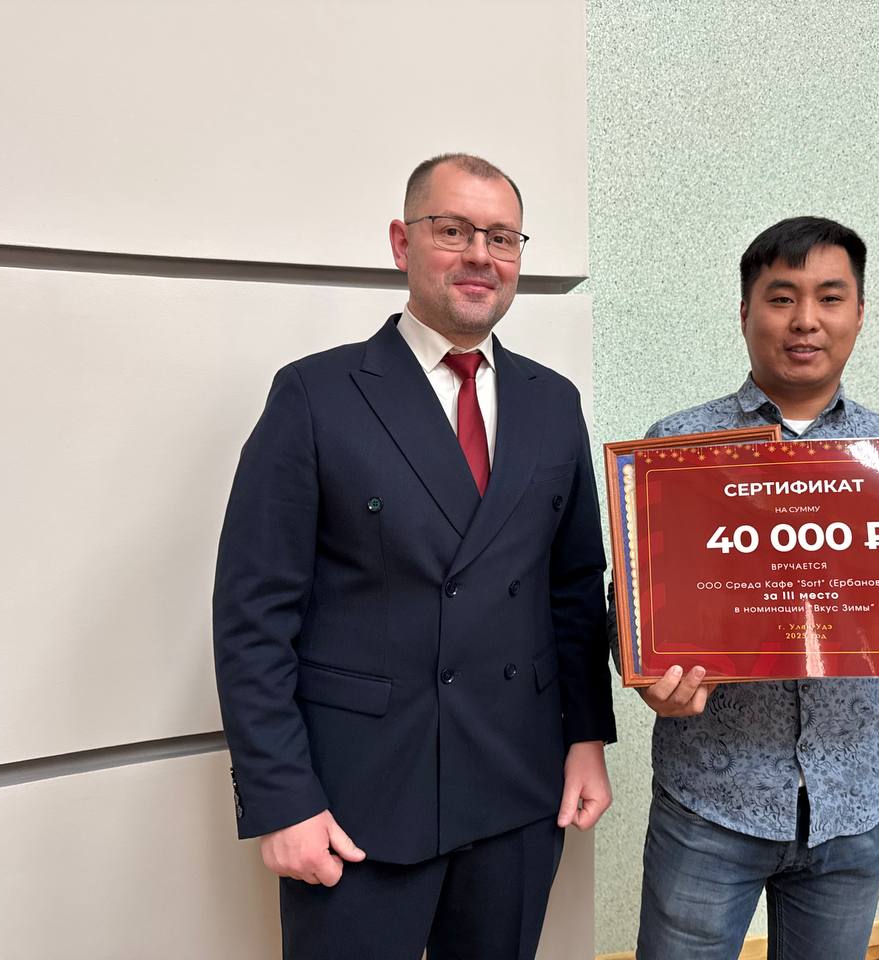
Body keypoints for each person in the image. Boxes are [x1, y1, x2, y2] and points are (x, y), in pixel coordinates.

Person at [213, 153, 616, 960]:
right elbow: (253, 617)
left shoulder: (552, 401)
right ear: (403, 242)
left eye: (502, 237)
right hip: (358, 802)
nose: (480, 255)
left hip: (517, 790)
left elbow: (572, 589)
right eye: (453, 230)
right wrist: (282, 798)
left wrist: (586, 739)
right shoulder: (316, 396)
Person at [622, 216, 879, 960]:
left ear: (859, 314)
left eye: (830, 297)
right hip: (710, 802)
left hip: (852, 805)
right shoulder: (678, 449)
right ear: (745, 312)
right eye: (781, 297)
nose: (805, 320)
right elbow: (634, 608)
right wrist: (646, 675)